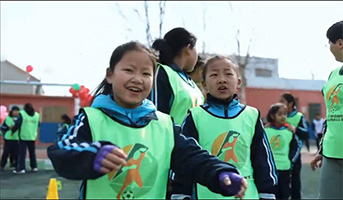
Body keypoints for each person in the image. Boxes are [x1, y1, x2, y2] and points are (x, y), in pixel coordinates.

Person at [47, 41, 248, 199]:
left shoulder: (165, 126)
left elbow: (195, 158)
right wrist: (93, 155)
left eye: (146, 73)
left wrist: (221, 173)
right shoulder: (91, 118)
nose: (137, 79)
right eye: (129, 70)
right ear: (110, 75)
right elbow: (62, 150)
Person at [171, 55, 278, 200]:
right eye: (214, 75)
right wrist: (181, 194)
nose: (222, 79)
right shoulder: (195, 116)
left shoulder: (252, 115)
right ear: (203, 84)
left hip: (247, 195)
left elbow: (262, 159)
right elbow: (186, 160)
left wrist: (267, 193)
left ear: (238, 82)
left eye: (228, 74)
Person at [310, 20, 343, 199]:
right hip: (332, 154)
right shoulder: (332, 75)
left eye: (329, 42)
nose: (328, 47)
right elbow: (330, 117)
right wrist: (322, 150)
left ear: (339, 43)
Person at [149, 27, 205, 125]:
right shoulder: (162, 73)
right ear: (188, 49)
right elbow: (155, 116)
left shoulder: (191, 83)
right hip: (168, 139)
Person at [265, 103, 299, 200]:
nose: (283, 116)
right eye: (280, 114)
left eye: (285, 114)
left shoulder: (290, 132)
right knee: (272, 193)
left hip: (285, 168)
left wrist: (291, 160)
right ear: (272, 116)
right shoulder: (265, 131)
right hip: (270, 169)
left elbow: (295, 148)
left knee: (284, 193)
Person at [279, 92, 309, 200]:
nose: (280, 104)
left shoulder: (299, 117)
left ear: (291, 103)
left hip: (294, 157)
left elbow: (306, 133)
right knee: (281, 185)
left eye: (282, 101)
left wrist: (295, 129)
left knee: (295, 185)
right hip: (279, 157)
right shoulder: (278, 115)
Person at [11, 103, 40, 174]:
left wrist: (13, 130)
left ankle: (21, 168)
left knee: (22, 153)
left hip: (23, 136)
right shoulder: (37, 115)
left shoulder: (22, 114)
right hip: (32, 136)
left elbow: (18, 123)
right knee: (32, 153)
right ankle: (34, 167)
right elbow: (38, 124)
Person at [0, 106, 20, 171]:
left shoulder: (20, 119)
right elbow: (2, 127)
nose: (16, 112)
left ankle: (15, 165)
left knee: (16, 153)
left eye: (17, 111)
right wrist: (8, 128)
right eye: (14, 111)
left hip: (17, 138)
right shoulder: (8, 118)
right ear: (12, 111)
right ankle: (2, 165)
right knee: (6, 153)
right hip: (8, 138)